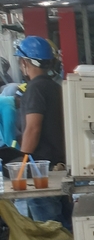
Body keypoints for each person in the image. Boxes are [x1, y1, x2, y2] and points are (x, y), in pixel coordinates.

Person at [13, 36, 71, 230]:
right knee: (64, 223)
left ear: (24, 62)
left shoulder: (35, 89)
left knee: (50, 228)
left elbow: (33, 128)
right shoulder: (55, 87)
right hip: (58, 166)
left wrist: (21, 165)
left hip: (40, 172)